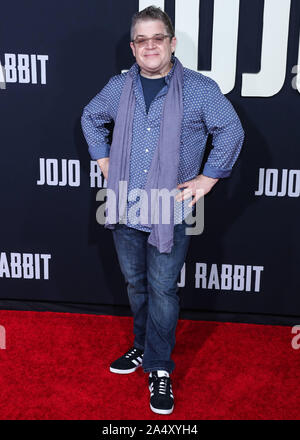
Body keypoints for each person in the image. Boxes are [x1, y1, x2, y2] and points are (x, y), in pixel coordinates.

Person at [81, 6, 244, 415]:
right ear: (133, 48)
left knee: (163, 289)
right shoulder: (118, 89)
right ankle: (141, 346)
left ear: (171, 43)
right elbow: (90, 117)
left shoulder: (200, 88)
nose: (150, 46)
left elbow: (231, 130)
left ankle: (159, 367)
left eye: (158, 38)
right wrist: (102, 159)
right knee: (136, 285)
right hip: (124, 205)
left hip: (172, 208)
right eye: (142, 40)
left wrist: (208, 179)